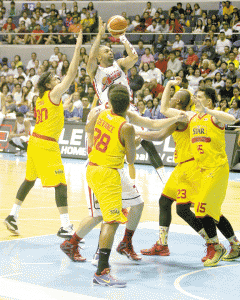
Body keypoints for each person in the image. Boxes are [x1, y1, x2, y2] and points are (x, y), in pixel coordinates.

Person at [4, 30, 84, 239]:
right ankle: (65, 225)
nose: (59, 78)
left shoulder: (41, 99)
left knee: (30, 180)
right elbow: (72, 73)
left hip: (36, 143)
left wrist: (66, 105)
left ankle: (13, 215)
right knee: (61, 184)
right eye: (55, 78)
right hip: (46, 145)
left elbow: (59, 109)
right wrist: (77, 48)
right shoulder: (53, 93)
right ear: (49, 84)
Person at [157, 81, 240, 265]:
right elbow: (164, 109)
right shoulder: (190, 116)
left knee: (202, 209)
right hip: (202, 170)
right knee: (213, 212)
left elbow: (231, 119)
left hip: (217, 169)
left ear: (209, 102)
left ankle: (215, 248)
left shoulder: (214, 117)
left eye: (200, 96)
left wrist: (208, 111)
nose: (195, 98)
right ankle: (235, 245)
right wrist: (169, 84)